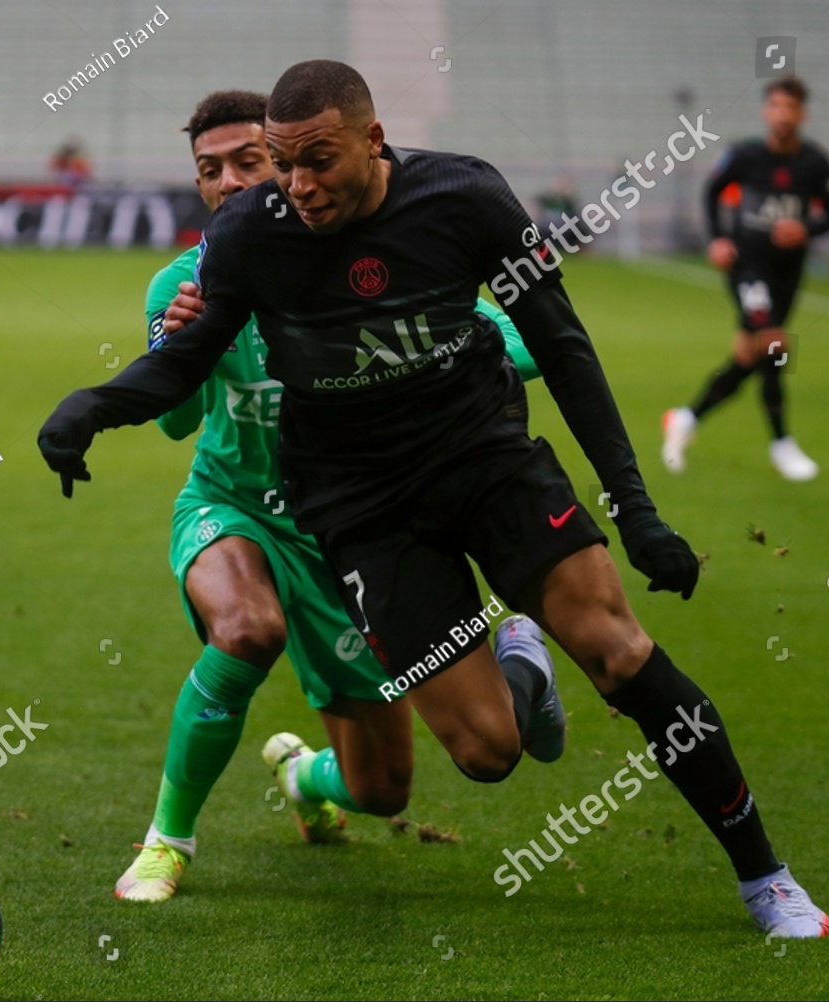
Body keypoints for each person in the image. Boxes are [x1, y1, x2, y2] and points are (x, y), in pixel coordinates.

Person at [41, 59, 828, 938]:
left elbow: (561, 347)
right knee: (487, 753)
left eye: (318, 160)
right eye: (281, 162)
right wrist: (91, 408)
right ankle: (513, 656)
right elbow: (183, 368)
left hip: (483, 461)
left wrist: (635, 508)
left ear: (374, 141)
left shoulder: (466, 197)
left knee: (619, 650)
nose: (296, 186)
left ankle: (766, 877)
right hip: (361, 511)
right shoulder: (250, 238)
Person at [115, 88, 547, 902]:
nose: (231, 181)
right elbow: (174, 424)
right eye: (212, 170)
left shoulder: (367, 262)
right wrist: (173, 345)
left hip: (353, 537)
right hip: (232, 508)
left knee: (383, 788)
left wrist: (426, 351)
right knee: (245, 629)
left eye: (251, 161)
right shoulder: (183, 284)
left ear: (285, 165)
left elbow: (522, 340)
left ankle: (303, 776)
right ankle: (167, 840)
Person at [661, 77, 829, 482]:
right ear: (766, 110)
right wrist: (719, 238)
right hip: (747, 267)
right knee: (774, 342)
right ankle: (782, 443)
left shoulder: (816, 162)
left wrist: (807, 228)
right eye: (775, 105)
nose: (782, 114)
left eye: (790, 107)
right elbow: (712, 191)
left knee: (747, 358)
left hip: (788, 273)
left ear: (803, 113)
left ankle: (686, 418)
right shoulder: (744, 156)